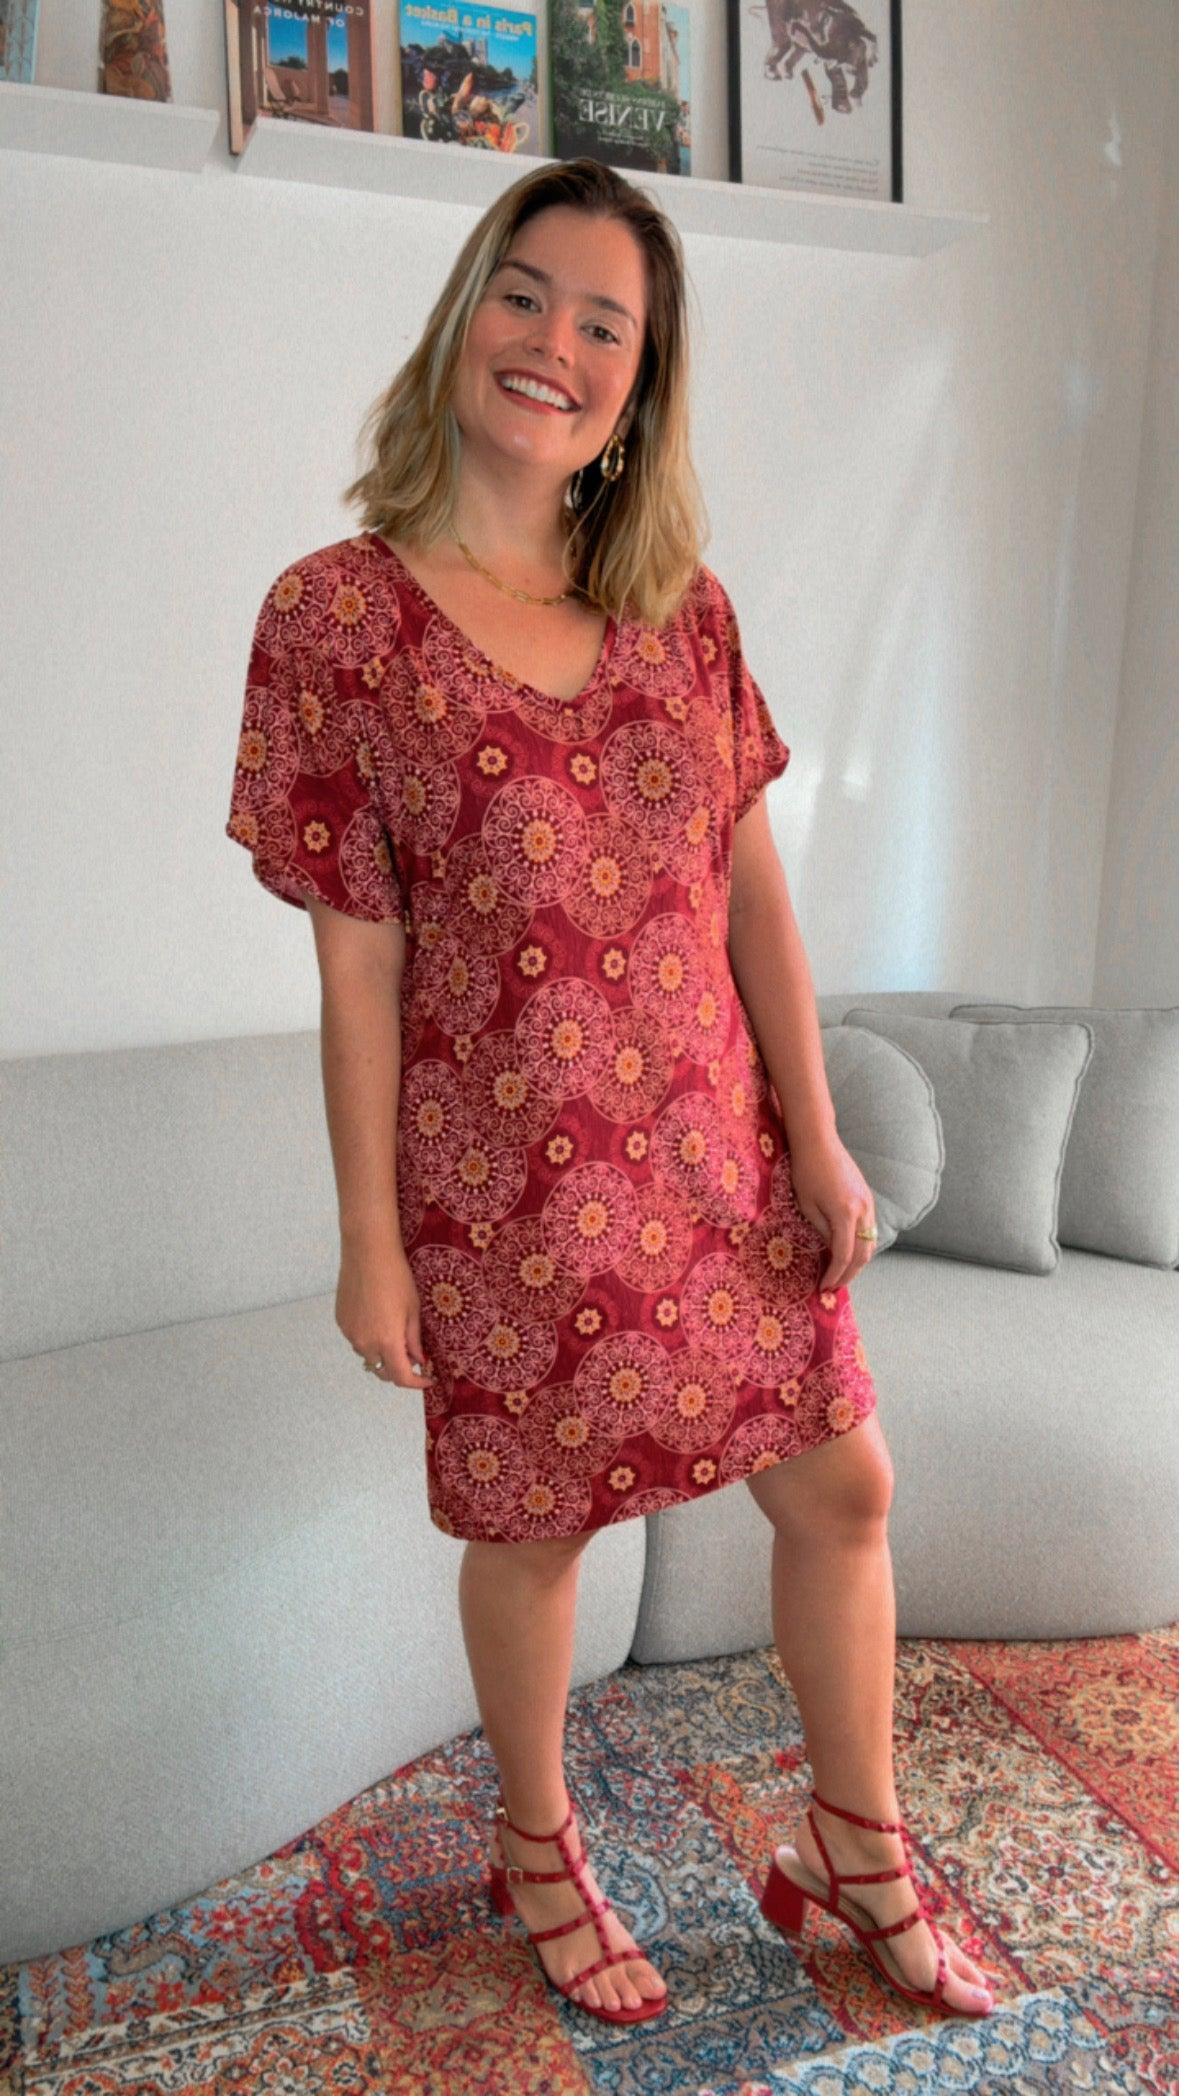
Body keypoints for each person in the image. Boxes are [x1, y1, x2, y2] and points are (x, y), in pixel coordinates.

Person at [226, 156, 997, 2027]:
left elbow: (754, 897)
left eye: (605, 325)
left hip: (717, 1164)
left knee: (847, 1488)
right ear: (464, 313)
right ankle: (538, 1843)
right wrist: (369, 1244)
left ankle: (855, 1845)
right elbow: (357, 969)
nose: (553, 344)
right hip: (509, 1195)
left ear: (640, 383)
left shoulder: (681, 611)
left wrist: (818, 1136)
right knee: (536, 1535)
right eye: (525, 294)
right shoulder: (336, 623)